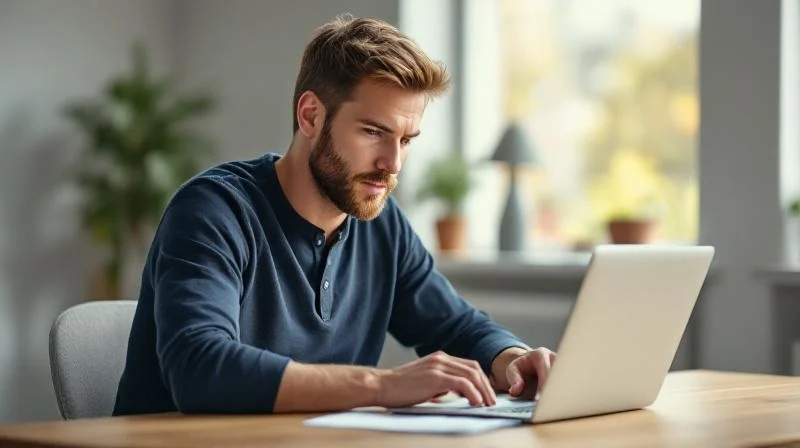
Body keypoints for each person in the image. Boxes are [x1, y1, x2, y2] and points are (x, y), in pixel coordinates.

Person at [113, 14, 556, 416]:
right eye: (373, 132)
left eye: (406, 140)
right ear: (310, 116)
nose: (393, 163)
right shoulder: (214, 211)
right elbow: (199, 368)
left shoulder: (381, 223)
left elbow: (455, 324)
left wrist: (514, 359)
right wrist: (381, 385)